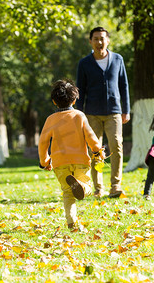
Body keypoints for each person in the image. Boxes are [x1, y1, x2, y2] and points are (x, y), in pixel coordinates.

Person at [38, 79, 106, 229]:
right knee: (87, 186)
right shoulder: (79, 116)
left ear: (54, 102)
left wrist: (44, 161)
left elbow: (43, 142)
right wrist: (97, 150)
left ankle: (72, 223)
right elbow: (90, 136)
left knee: (68, 193)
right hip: (80, 161)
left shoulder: (50, 119)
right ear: (74, 100)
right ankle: (81, 186)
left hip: (59, 163)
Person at [76, 26, 130, 198]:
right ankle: (99, 188)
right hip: (91, 113)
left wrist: (126, 110)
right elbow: (80, 90)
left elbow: (124, 85)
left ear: (108, 40)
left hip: (114, 111)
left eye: (102, 38)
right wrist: (78, 114)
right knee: (95, 150)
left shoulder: (118, 59)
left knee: (116, 146)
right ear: (90, 41)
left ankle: (116, 186)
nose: (100, 42)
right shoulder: (84, 63)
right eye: (96, 39)